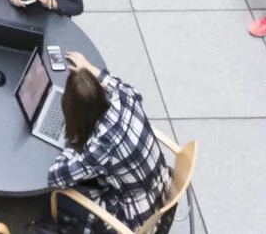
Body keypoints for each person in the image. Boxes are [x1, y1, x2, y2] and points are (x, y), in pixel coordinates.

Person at [46, 53, 174, 234]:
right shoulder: (124, 98)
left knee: (62, 198)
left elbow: (55, 176)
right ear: (102, 90)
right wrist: (89, 68)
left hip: (136, 219)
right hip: (162, 187)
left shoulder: (101, 148)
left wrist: (70, 146)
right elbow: (116, 84)